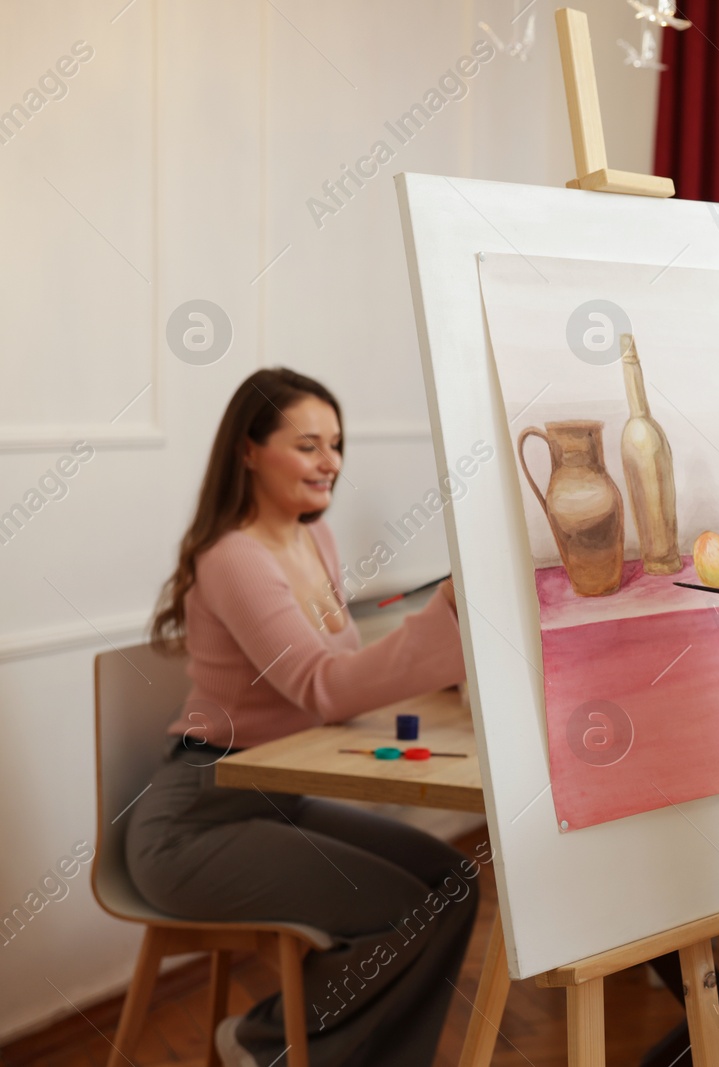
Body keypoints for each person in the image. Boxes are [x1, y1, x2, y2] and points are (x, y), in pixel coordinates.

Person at [128, 368, 479, 1067]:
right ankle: (264, 1041)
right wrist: (438, 627)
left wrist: (439, 655)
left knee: (452, 884)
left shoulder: (314, 540)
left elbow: (337, 671)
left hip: (275, 798)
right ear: (249, 451)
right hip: (198, 819)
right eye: (309, 445)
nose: (331, 463)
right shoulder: (232, 558)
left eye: (337, 445)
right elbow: (321, 686)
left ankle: (297, 1051)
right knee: (406, 907)